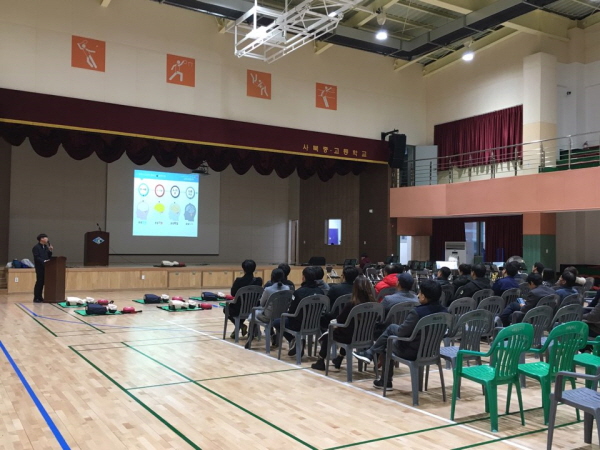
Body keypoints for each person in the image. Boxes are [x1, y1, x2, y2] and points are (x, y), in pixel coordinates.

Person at [353, 280, 447, 390]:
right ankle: (370, 354)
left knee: (388, 341)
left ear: (424, 296)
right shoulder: (446, 312)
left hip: (412, 351)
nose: (418, 295)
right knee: (391, 331)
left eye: (420, 293)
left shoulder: (417, 312)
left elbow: (402, 332)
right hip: (432, 351)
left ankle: (385, 381)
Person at [311, 276, 375, 371]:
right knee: (347, 330)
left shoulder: (351, 304)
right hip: (367, 336)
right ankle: (339, 358)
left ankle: (320, 361)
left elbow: (340, 320)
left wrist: (333, 323)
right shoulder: (375, 304)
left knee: (329, 334)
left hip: (350, 337)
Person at [273, 266, 323, 356]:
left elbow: (292, 311)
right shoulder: (321, 292)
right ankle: (297, 341)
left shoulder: (299, 292)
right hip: (315, 323)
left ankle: (294, 340)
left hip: (298, 324)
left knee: (277, 322)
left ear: (304, 277)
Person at [245, 268, 291, 349]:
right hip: (281, 316)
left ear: (272, 277)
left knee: (253, 314)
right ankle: (273, 335)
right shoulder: (287, 288)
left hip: (268, 317)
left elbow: (262, 303)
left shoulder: (268, 289)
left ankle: (251, 335)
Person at [225, 259, 263, 338]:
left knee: (226, 309)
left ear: (243, 269)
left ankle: (240, 325)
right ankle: (245, 327)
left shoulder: (239, 281)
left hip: (239, 309)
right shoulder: (259, 281)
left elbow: (233, 293)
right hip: (254, 309)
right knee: (244, 308)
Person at [32, 233, 53, 303]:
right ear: (41, 239)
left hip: (46, 267)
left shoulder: (46, 247)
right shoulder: (36, 247)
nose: (47, 239)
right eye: (45, 238)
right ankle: (36, 297)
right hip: (40, 267)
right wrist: (44, 261)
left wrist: (50, 250)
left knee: (43, 282)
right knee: (39, 282)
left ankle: (41, 297)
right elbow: (36, 257)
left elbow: (48, 256)